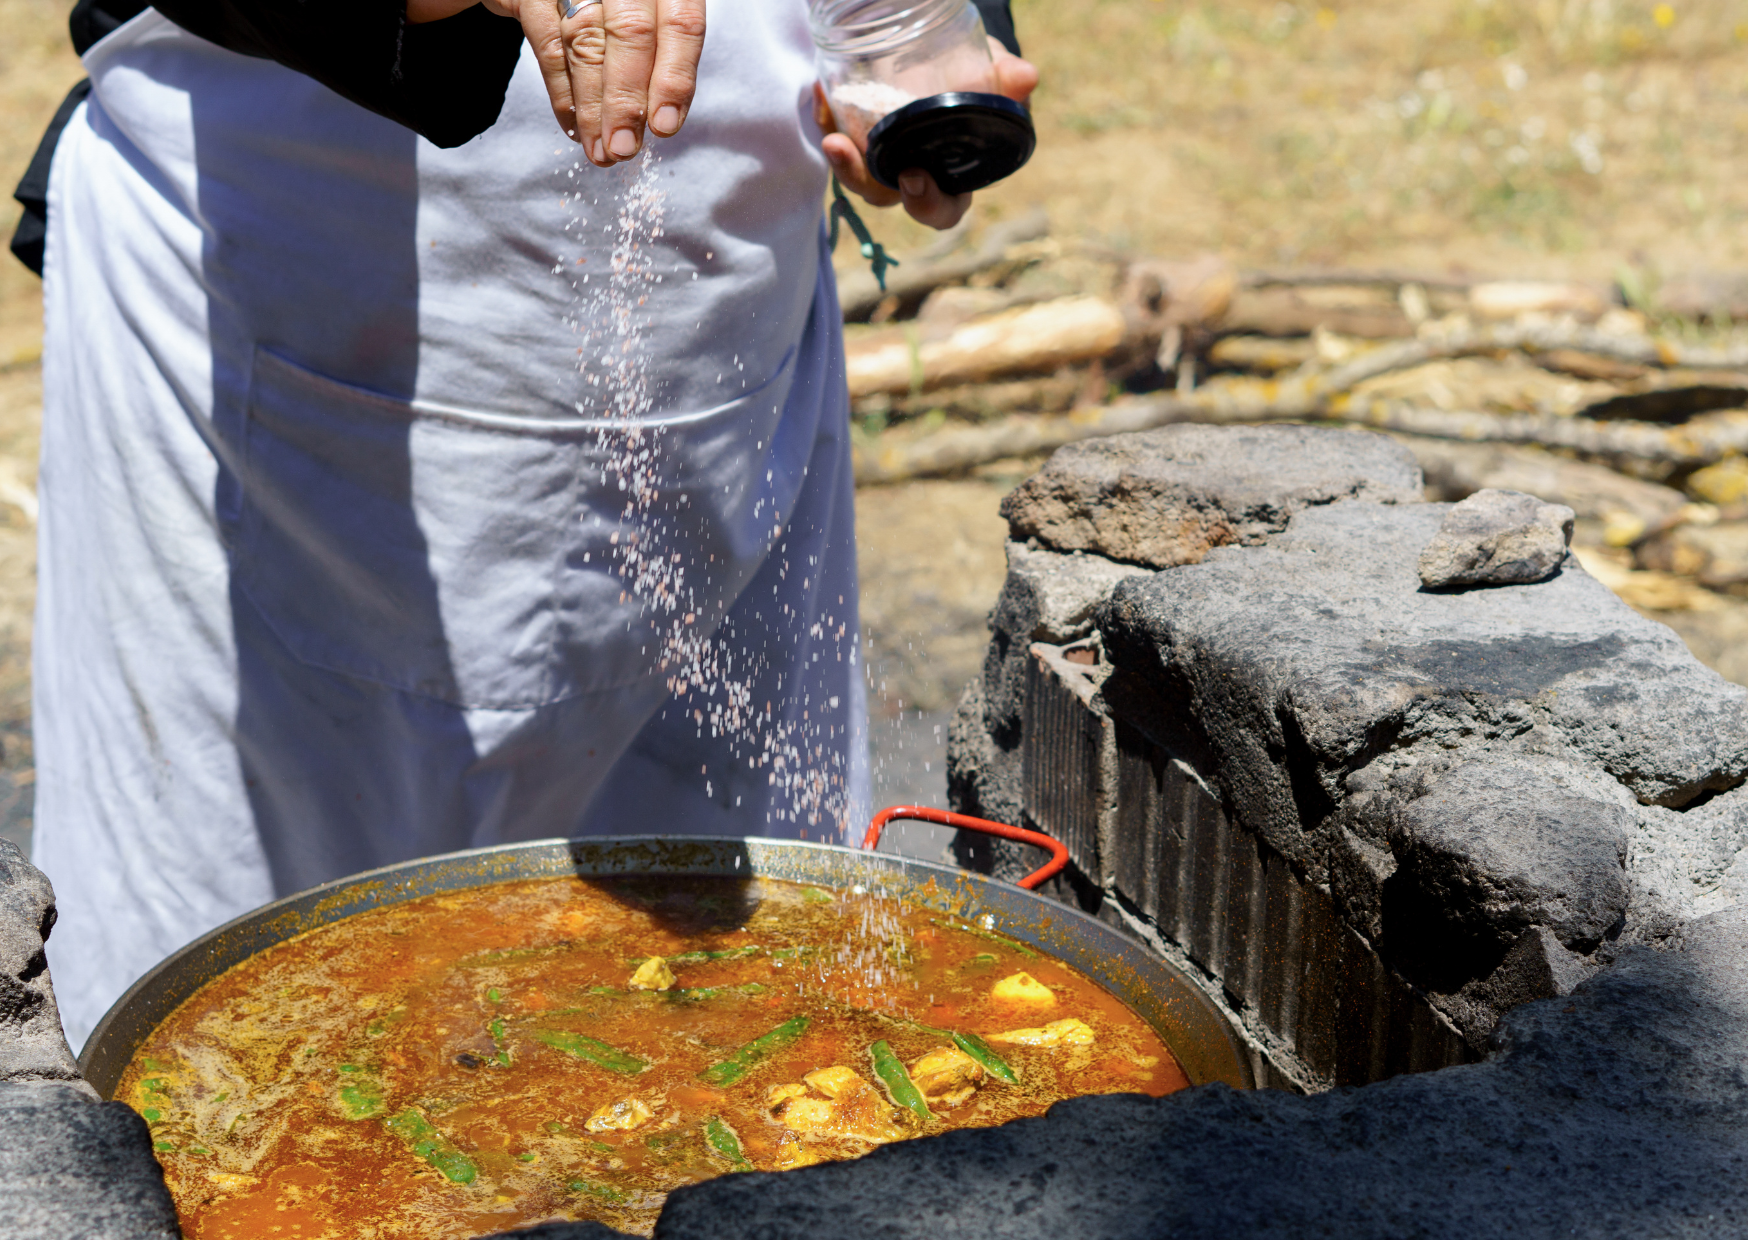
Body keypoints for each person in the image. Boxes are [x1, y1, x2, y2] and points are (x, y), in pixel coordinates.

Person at [9, 0, 1035, 1047]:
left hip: (725, 308)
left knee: (745, 1027)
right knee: (242, 1048)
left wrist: (907, 43)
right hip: (294, 286)